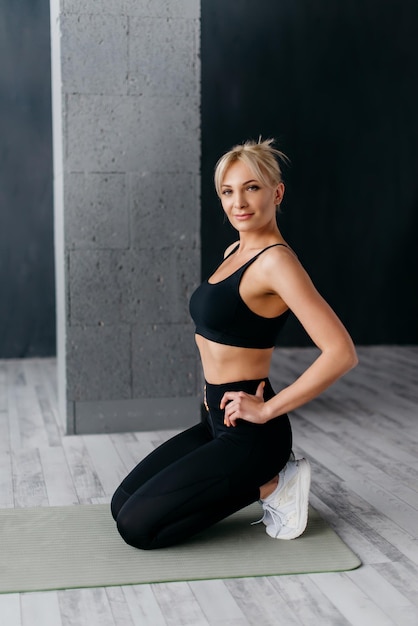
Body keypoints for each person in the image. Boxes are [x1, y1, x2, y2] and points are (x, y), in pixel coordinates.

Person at [111, 138, 358, 549]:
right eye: (227, 191)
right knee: (121, 504)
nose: (238, 202)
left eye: (252, 187)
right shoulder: (235, 250)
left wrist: (268, 409)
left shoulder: (276, 262)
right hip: (215, 420)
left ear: (276, 192)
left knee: (137, 528)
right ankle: (265, 483)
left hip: (251, 434)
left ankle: (273, 487)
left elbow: (341, 352)